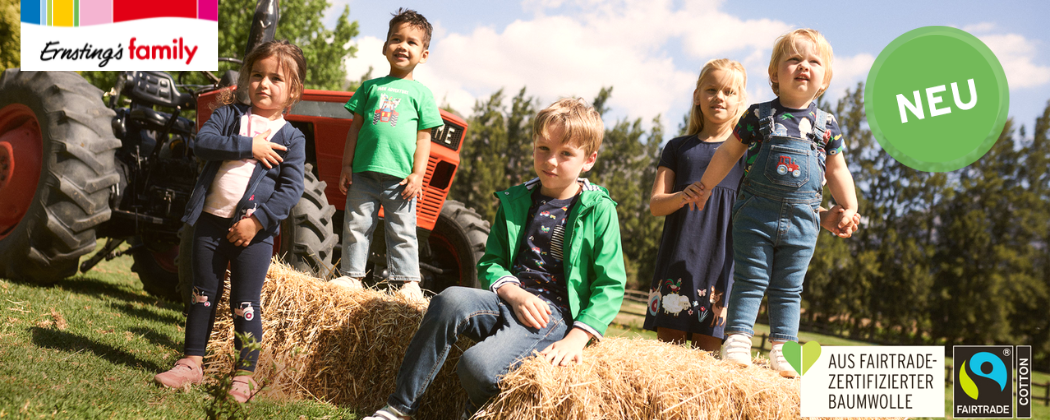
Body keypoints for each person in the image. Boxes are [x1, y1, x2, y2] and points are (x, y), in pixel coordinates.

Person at [363, 98, 626, 420]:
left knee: (478, 367)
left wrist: (577, 336)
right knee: (449, 300)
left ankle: (476, 414)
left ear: (589, 160)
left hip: (550, 316)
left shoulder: (599, 209)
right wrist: (513, 293)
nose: (551, 161)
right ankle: (398, 408)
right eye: (543, 148)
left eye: (566, 153)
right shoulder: (517, 199)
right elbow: (492, 262)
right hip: (509, 299)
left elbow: (611, 284)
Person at [645, 59, 859, 352]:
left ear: (740, 102)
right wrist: (686, 195)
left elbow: (779, 202)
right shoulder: (677, 148)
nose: (719, 97)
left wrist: (823, 216)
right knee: (668, 358)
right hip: (679, 258)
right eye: (711, 89)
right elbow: (656, 206)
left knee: (709, 360)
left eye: (729, 92)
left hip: (726, 259)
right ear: (696, 95)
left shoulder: (752, 150)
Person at [691, 29, 859, 377]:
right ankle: (737, 338)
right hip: (755, 214)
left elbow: (837, 168)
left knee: (789, 286)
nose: (803, 66)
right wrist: (706, 185)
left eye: (814, 62)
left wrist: (850, 206)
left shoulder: (827, 126)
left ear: (824, 79)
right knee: (751, 278)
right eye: (793, 59)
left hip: (804, 220)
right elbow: (727, 153)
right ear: (774, 74)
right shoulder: (757, 116)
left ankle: (784, 347)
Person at [153, 40, 308, 402]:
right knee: (201, 295)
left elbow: (291, 189)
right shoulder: (229, 115)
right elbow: (203, 143)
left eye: (275, 79)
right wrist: (249, 146)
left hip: (254, 236)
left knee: (245, 302)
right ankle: (191, 363)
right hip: (210, 223)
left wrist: (258, 222)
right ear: (245, 78)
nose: (264, 84)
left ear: (293, 91)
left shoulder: (292, 138)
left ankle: (244, 375)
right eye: (257, 75)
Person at [333, 8, 444, 300]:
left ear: (424, 55)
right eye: (396, 39)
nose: (403, 46)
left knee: (403, 230)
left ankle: (407, 282)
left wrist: (418, 175)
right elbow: (355, 130)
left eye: (412, 42)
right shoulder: (369, 88)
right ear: (385, 48)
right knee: (357, 225)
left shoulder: (422, 95)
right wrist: (346, 165)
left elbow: (424, 138)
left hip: (401, 178)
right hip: (363, 172)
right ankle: (352, 276)